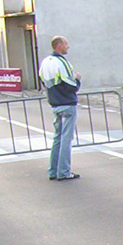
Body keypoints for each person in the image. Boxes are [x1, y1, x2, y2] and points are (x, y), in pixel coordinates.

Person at [39, 35, 81, 180]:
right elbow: (71, 86)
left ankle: (53, 170)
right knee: (66, 139)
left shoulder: (45, 62)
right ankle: (63, 171)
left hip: (54, 103)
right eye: (66, 43)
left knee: (57, 138)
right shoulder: (62, 62)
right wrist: (77, 80)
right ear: (59, 45)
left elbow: (44, 81)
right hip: (67, 103)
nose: (68, 46)